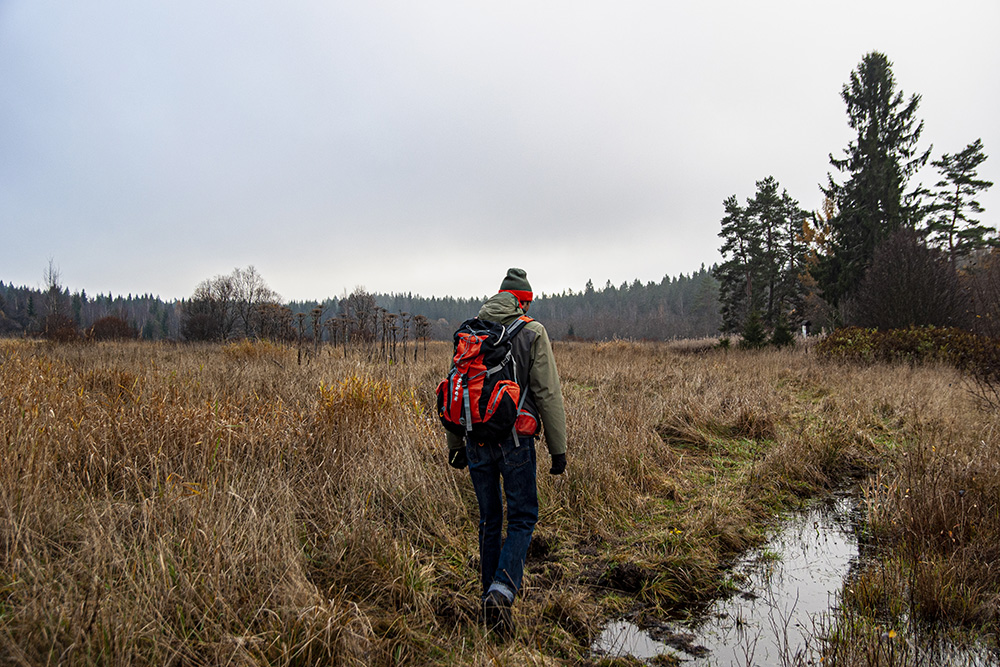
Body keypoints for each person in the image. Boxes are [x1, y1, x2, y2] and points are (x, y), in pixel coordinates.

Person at [446, 267, 568, 639]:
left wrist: (455, 447)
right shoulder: (533, 331)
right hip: (516, 442)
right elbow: (547, 393)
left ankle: (488, 600)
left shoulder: (472, 331)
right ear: (523, 301)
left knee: (489, 521)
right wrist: (558, 449)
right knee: (523, 518)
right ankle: (501, 591)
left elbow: (457, 389)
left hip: (475, 440)